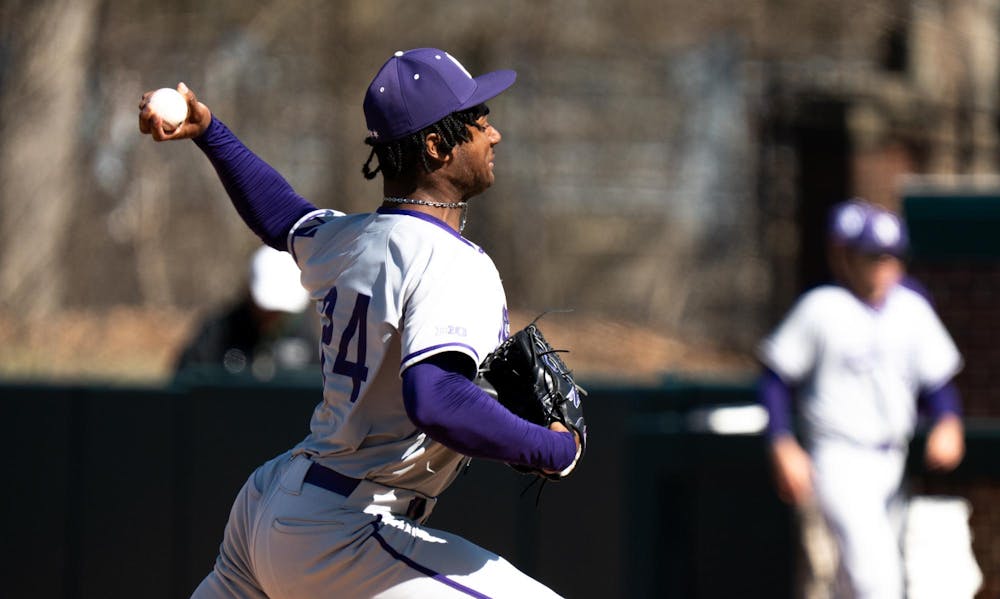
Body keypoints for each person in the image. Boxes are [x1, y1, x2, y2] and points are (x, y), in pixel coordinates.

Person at [139, 47, 581, 598]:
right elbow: (436, 398)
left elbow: (282, 217)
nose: (494, 135)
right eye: (479, 123)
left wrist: (212, 133)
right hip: (342, 531)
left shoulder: (351, 239)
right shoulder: (450, 260)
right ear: (437, 146)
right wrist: (552, 448)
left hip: (272, 504)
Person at [756, 199, 966, 599]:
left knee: (860, 581)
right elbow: (775, 378)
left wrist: (948, 421)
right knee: (877, 580)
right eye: (873, 257)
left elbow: (939, 384)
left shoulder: (911, 308)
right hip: (839, 457)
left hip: (894, 458)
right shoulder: (821, 308)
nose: (884, 267)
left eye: (892, 256)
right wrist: (781, 442)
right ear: (849, 258)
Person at [174, 244, 319, 381]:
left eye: (280, 312)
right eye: (267, 310)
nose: (272, 317)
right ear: (249, 293)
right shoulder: (219, 333)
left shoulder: (306, 338)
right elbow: (187, 381)